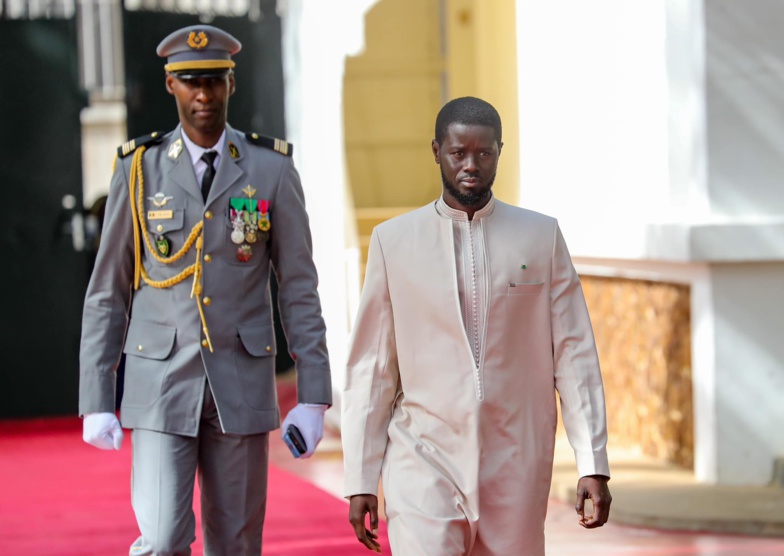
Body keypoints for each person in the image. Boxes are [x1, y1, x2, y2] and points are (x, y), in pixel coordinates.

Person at [79, 25, 332, 555]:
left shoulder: (271, 168)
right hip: (161, 380)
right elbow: (108, 291)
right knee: (164, 539)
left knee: (237, 542)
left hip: (239, 380)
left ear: (232, 85)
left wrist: (312, 395)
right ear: (170, 85)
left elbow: (300, 288)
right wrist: (96, 396)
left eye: (214, 81)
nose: (203, 94)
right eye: (190, 81)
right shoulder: (140, 170)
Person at [342, 96, 611, 555]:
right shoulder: (394, 242)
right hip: (423, 453)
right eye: (458, 152)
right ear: (436, 151)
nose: (471, 164)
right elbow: (372, 368)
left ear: (499, 152)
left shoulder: (540, 236)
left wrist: (593, 462)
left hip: (515, 459)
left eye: (483, 153)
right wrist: (361, 477)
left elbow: (573, 351)